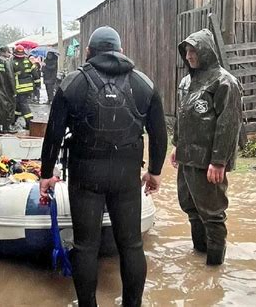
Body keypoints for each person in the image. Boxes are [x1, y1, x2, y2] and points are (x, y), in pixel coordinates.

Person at [39, 26, 168, 307]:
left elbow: (53, 134)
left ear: (88, 52)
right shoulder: (143, 84)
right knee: (132, 245)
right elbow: (160, 133)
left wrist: (46, 174)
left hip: (86, 175)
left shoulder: (73, 83)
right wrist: (155, 171)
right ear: (121, 52)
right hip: (126, 176)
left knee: (86, 246)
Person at [171, 29, 242, 266]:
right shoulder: (186, 81)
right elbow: (182, 115)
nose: (189, 56)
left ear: (206, 51)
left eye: (194, 50)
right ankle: (199, 256)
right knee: (190, 207)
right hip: (186, 156)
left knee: (212, 214)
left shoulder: (225, 82)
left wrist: (219, 161)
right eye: (187, 51)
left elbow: (229, 123)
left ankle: (214, 267)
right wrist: (177, 145)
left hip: (209, 161)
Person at [12, 44, 40, 129]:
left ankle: (29, 122)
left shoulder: (13, 63)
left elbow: (10, 76)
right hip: (29, 87)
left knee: (23, 104)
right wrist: (37, 85)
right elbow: (35, 73)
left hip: (19, 87)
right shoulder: (28, 61)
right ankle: (13, 120)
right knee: (18, 104)